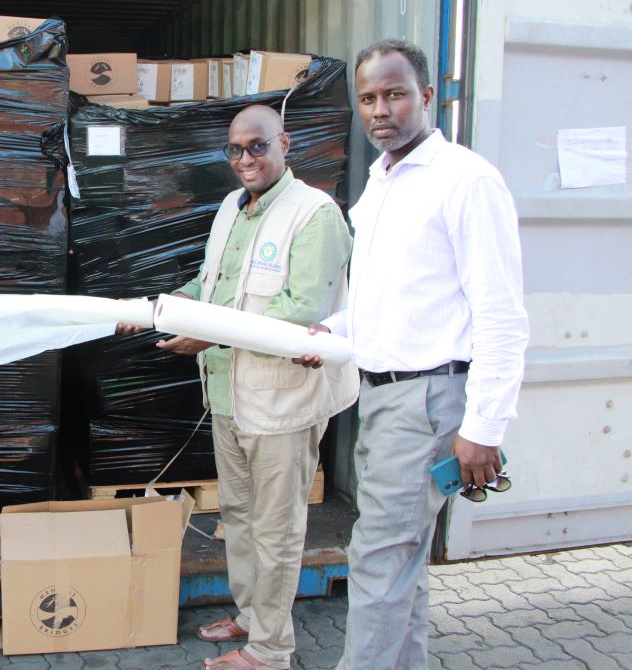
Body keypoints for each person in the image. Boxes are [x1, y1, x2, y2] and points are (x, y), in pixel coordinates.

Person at [294, 39, 529, 670]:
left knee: (377, 558)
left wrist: (483, 427)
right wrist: (336, 330)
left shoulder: (466, 182)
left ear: (426, 97)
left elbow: (503, 316)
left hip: (428, 397)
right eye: (368, 98)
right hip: (383, 393)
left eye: (395, 94)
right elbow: (395, 294)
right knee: (401, 562)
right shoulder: (380, 181)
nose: (380, 110)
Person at [149, 105, 359, 670]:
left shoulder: (315, 214)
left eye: (258, 147)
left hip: (282, 403)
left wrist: (206, 336)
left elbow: (301, 312)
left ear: (284, 143)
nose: (246, 159)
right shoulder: (230, 208)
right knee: (238, 516)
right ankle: (250, 617)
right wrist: (174, 307)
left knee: (278, 529)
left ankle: (270, 651)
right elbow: (213, 281)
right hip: (229, 396)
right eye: (236, 150)